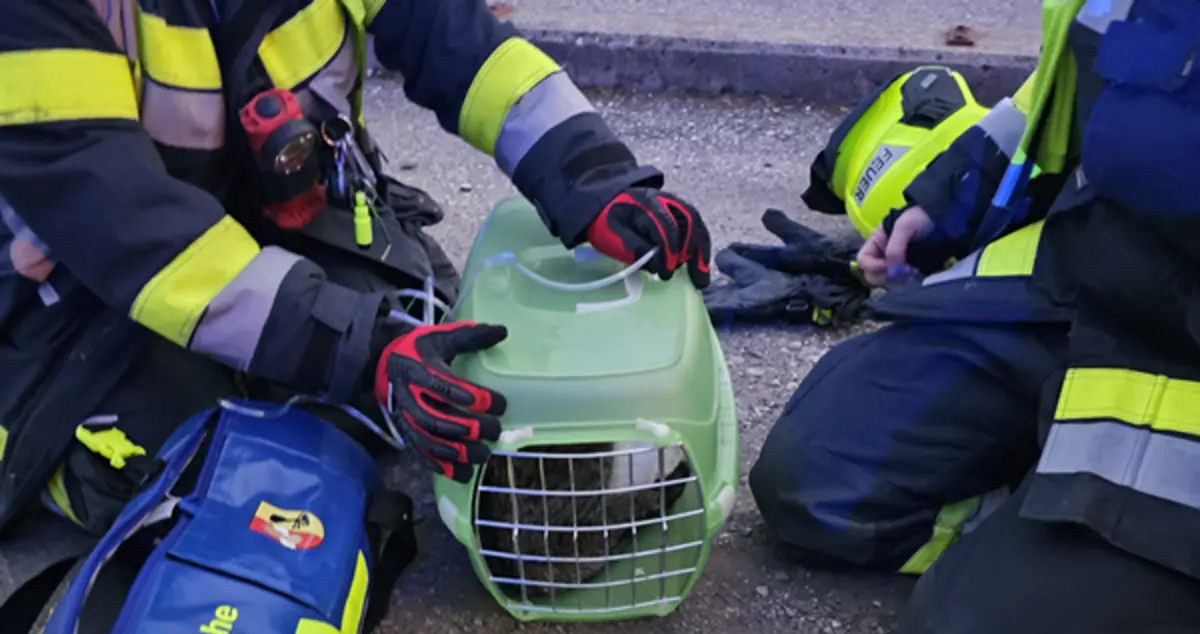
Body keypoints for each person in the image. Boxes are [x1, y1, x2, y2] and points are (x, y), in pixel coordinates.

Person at [0, 0, 712, 541]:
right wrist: (362, 347)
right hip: (91, 294)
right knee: (198, 476)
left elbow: (456, 39)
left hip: (283, 222)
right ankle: (52, 451)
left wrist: (592, 177)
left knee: (435, 356)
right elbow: (126, 222)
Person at [749, 1, 1200, 634]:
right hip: (1095, 270)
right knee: (818, 486)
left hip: (1180, 355)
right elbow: (1064, 85)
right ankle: (1048, 508)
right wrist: (951, 197)